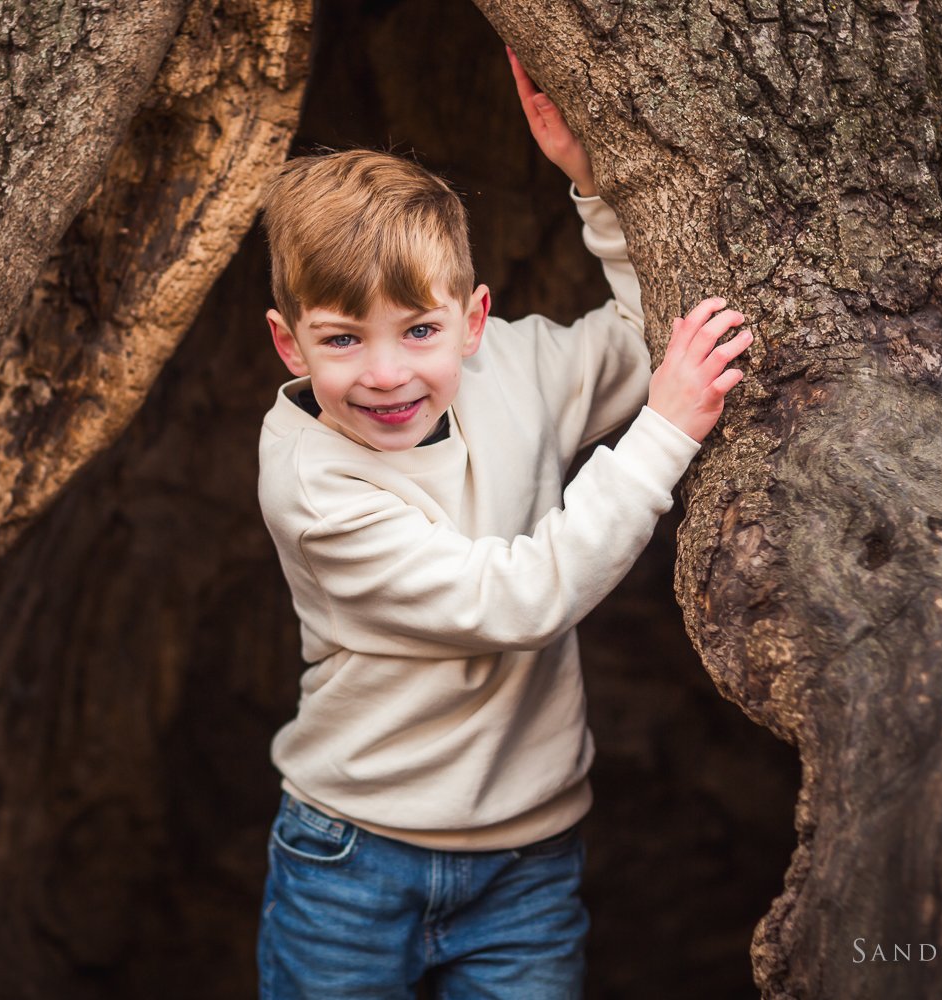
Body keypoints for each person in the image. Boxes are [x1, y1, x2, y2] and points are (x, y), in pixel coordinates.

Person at [253, 47, 752, 999]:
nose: (388, 372)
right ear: (291, 341)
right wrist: (663, 436)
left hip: (529, 859)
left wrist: (595, 183)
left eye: (420, 330)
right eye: (344, 339)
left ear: (474, 319)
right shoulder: (314, 486)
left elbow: (649, 335)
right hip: (352, 859)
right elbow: (516, 598)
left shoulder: (511, 369)